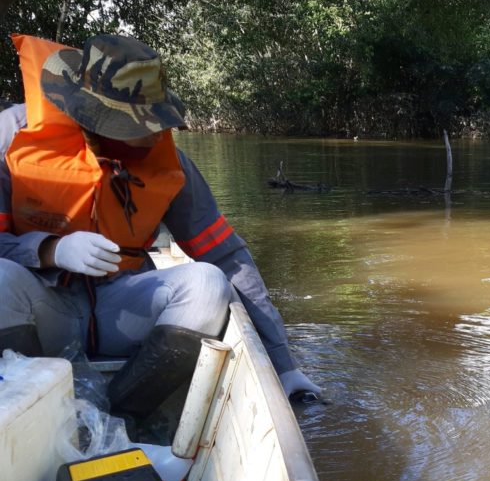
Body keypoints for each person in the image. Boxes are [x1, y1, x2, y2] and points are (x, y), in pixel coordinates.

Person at [0, 33, 321, 417]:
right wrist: (51, 250)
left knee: (207, 282)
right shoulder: (12, 138)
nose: (155, 133)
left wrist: (284, 365)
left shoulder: (170, 164)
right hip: (42, 306)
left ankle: (116, 416)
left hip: (119, 308)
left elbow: (228, 258)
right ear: (93, 114)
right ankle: (33, 414)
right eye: (140, 121)